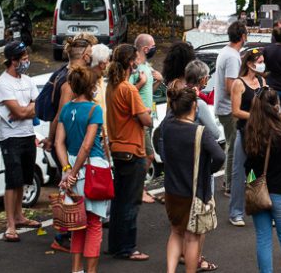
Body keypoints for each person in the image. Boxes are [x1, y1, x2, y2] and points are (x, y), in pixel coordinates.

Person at [157, 83, 225, 273]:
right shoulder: (200, 132)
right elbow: (220, 156)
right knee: (192, 237)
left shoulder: (168, 126)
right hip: (193, 192)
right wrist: (208, 171)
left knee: (176, 232)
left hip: (171, 191)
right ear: (194, 107)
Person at [55, 66, 111, 273]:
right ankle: (91, 271)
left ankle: (76, 270)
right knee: (94, 223)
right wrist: (75, 171)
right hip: (92, 170)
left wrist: (67, 169)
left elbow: (59, 142)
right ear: (91, 86)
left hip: (70, 167)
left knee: (77, 225)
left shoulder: (66, 109)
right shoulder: (94, 109)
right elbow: (87, 146)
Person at [45, 34, 97, 252]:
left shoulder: (67, 75)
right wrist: (51, 139)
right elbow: (60, 115)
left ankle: (70, 229)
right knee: (69, 187)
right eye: (92, 54)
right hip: (66, 144)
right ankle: (63, 234)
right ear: (85, 55)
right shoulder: (70, 81)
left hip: (67, 141)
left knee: (71, 187)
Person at [101, 44, 153, 262]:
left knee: (120, 201)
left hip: (118, 149)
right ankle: (128, 248)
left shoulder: (112, 87)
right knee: (131, 202)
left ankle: (115, 245)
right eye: (135, 60)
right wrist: (145, 113)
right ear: (130, 62)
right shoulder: (128, 89)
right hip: (133, 149)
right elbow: (146, 120)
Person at [245, 85, 281, 273]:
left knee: (263, 238)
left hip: (258, 190)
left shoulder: (250, 131)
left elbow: (247, 163)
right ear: (276, 105)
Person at [0, 41, 41, 242]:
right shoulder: (2, 84)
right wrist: (27, 110)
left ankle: (20, 216)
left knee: (24, 178)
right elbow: (19, 111)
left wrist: (25, 111)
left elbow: (38, 106)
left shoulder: (28, 81)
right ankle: (10, 225)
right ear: (13, 60)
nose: (27, 61)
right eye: (23, 58)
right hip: (10, 138)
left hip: (28, 134)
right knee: (12, 181)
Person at [227, 48, 267, 226]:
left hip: (261, 133)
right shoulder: (239, 84)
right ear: (250, 64)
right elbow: (235, 111)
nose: (262, 64)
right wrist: (254, 116)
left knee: (259, 171)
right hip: (244, 132)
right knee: (239, 173)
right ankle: (236, 212)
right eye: (259, 61)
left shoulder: (261, 80)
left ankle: (260, 205)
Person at [214, 22, 247, 201]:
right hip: (229, 109)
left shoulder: (226, 52)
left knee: (231, 144)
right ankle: (229, 183)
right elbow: (230, 87)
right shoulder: (233, 57)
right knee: (233, 147)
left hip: (223, 106)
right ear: (242, 36)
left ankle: (230, 181)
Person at [129, 34, 164, 204]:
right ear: (145, 49)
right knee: (147, 156)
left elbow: (148, 91)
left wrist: (158, 81)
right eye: (153, 45)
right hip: (138, 119)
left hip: (147, 116)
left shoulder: (146, 66)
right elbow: (127, 92)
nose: (155, 48)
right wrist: (141, 83)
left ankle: (139, 189)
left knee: (146, 156)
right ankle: (137, 190)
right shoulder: (134, 67)